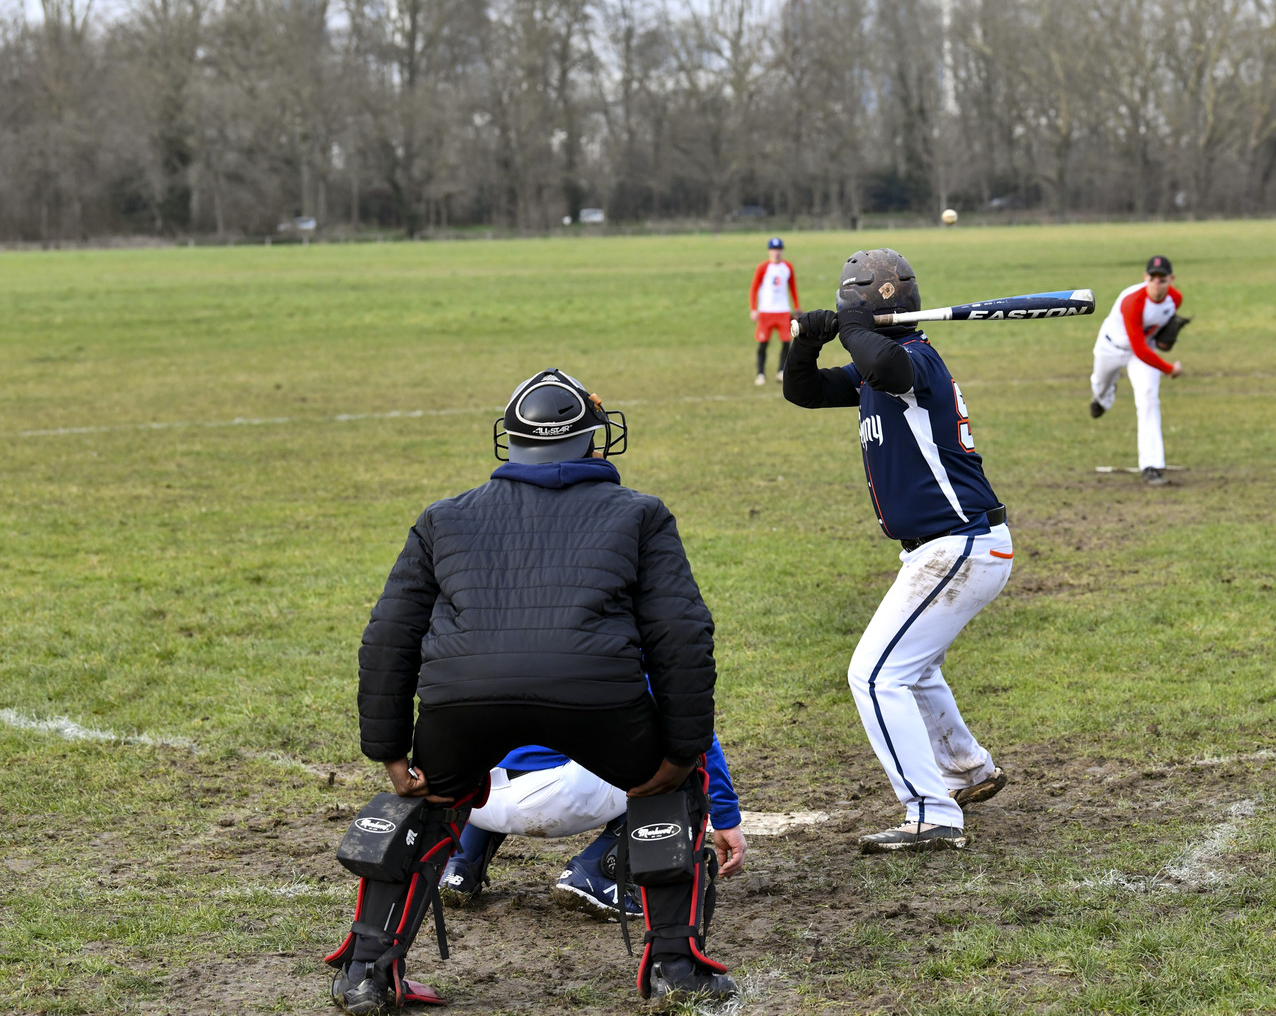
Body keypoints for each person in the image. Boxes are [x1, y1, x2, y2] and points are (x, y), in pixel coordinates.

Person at [324, 368, 735, 1013]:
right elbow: (683, 637)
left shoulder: (442, 518)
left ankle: (367, 972)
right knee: (670, 793)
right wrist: (681, 753)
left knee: (429, 801)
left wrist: (389, 749)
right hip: (597, 697)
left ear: (510, 441)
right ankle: (676, 968)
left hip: (463, 700)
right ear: (593, 440)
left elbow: (388, 638)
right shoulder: (641, 514)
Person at [783, 248, 1012, 854]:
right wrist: (807, 342)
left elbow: (885, 366)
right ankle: (968, 770)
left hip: (959, 546)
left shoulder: (915, 361)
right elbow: (802, 391)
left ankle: (931, 813)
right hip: (947, 550)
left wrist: (850, 329)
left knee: (874, 675)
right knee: (913, 669)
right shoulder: (877, 365)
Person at [437, 733, 746, 919]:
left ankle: (461, 863)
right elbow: (690, 723)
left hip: (471, 793)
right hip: (558, 792)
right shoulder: (612, 630)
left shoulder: (485, 625)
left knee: (496, 731)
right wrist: (726, 817)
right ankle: (597, 869)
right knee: (675, 752)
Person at [1087, 255, 1185, 486]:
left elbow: (1147, 342)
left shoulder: (1175, 299)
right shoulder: (1132, 301)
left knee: (1149, 399)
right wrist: (1169, 368)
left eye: (1163, 279)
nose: (1158, 283)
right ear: (1146, 277)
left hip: (1142, 351)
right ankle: (1103, 400)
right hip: (1112, 347)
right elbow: (1139, 348)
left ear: (1171, 279)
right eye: (1153, 278)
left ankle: (1151, 465)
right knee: (1100, 386)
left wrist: (1162, 340)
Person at [749, 237, 799, 386]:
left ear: (781, 251)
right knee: (763, 343)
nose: (776, 253)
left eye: (778, 250)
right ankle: (760, 373)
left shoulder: (787, 267)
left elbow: (793, 288)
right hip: (766, 311)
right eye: (773, 250)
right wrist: (753, 308)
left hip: (783, 310)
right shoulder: (762, 268)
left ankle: (781, 371)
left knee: (785, 342)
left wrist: (796, 307)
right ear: (769, 251)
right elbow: (754, 288)